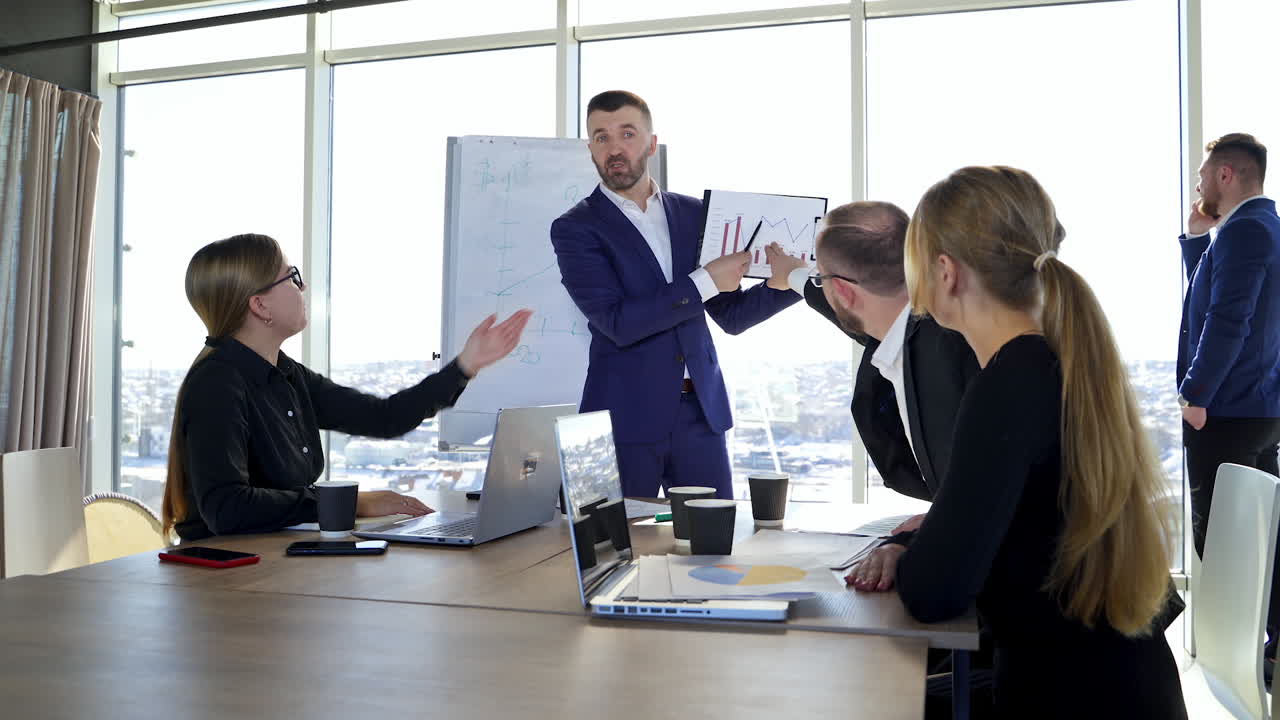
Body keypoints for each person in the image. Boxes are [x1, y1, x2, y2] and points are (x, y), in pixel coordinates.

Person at [849, 166, 1187, 717]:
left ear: (944, 271)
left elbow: (936, 593)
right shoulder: (1048, 360)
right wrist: (918, 543)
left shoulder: (1010, 382)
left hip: (1067, 696)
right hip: (1104, 684)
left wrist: (912, 553)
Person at [162, 233, 532, 540]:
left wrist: (466, 365)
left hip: (274, 557)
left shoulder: (287, 374)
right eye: (291, 277)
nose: (302, 286)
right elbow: (228, 509)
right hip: (226, 579)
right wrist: (350, 502)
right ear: (260, 305)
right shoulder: (217, 383)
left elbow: (382, 417)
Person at [550, 90, 800, 498]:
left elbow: (730, 316)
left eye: (627, 134)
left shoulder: (695, 215)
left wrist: (781, 284)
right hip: (623, 420)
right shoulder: (575, 228)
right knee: (620, 553)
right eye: (601, 137)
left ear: (651, 143)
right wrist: (705, 279)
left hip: (701, 415)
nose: (615, 148)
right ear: (590, 150)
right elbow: (617, 323)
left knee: (712, 549)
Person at [772, 202, 979, 523]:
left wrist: (933, 531)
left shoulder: (946, 369)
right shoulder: (924, 324)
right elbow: (854, 310)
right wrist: (795, 276)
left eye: (822, 277)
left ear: (842, 291)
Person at [1178, 132, 1280, 675]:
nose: (1197, 188)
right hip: (1257, 410)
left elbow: (1226, 321)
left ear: (1226, 175)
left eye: (1202, 176)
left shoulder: (1244, 231)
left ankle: (1231, 666)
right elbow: (1215, 301)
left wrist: (1196, 394)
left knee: (1217, 538)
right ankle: (1267, 650)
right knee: (1263, 532)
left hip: (1227, 411)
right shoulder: (1260, 229)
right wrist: (1197, 242)